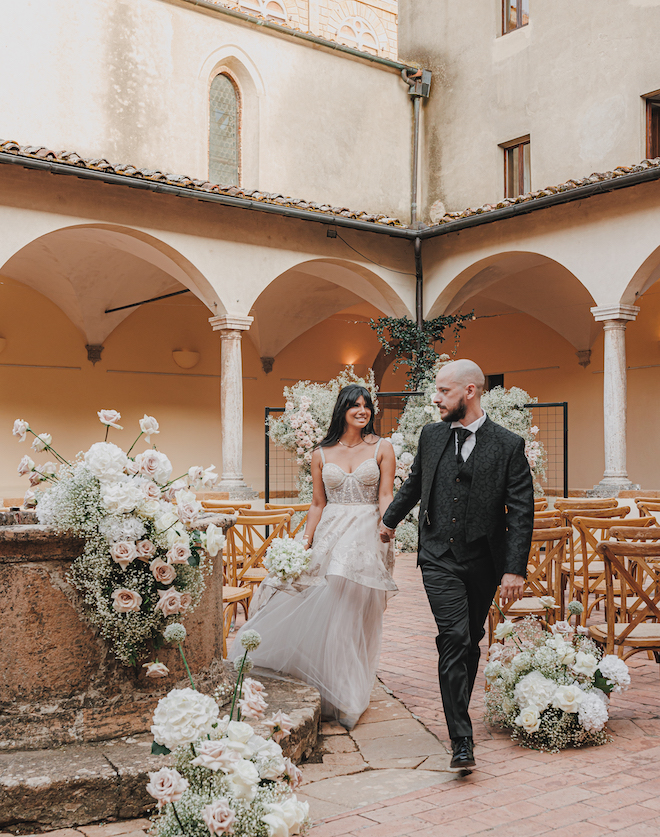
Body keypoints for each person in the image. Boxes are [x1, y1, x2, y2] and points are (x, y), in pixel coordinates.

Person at [379, 359, 533, 771]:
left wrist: (514, 568)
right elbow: (415, 484)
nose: (436, 398)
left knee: (470, 639)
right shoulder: (431, 436)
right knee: (454, 637)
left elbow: (520, 511)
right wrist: (389, 520)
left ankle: (458, 708)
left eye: (444, 391)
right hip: (437, 556)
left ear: (469, 391)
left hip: (483, 560)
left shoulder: (508, 445)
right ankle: (461, 742)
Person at [230, 384, 397, 729]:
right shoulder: (321, 452)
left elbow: (385, 494)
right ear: (343, 410)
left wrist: (388, 526)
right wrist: (305, 542)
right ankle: (330, 683)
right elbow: (317, 503)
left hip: (366, 533)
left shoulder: (383, 448)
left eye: (367, 406)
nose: (363, 411)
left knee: (353, 610)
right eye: (356, 406)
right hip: (331, 532)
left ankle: (347, 690)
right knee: (326, 603)